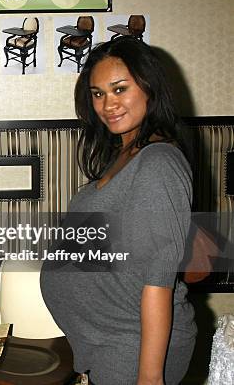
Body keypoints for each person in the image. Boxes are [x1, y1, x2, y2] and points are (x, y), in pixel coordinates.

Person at [40, 37, 196, 384]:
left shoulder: (158, 163)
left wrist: (150, 377)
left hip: (133, 346)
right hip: (109, 342)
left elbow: (159, 278)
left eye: (120, 89)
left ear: (149, 88)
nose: (108, 104)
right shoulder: (126, 156)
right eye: (98, 93)